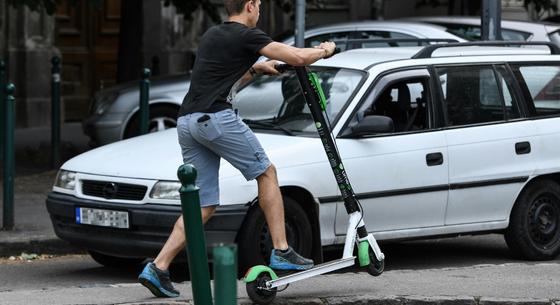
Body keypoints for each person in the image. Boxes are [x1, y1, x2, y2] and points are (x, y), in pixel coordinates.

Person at [138, 0, 336, 298]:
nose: (261, 11)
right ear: (250, 5)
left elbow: (221, 78)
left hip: (188, 121)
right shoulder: (247, 35)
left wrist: (256, 71)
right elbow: (296, 56)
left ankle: (158, 267)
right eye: (259, 5)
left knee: (202, 204)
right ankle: (281, 250)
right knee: (267, 173)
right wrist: (324, 50)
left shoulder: (213, 35)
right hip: (216, 119)